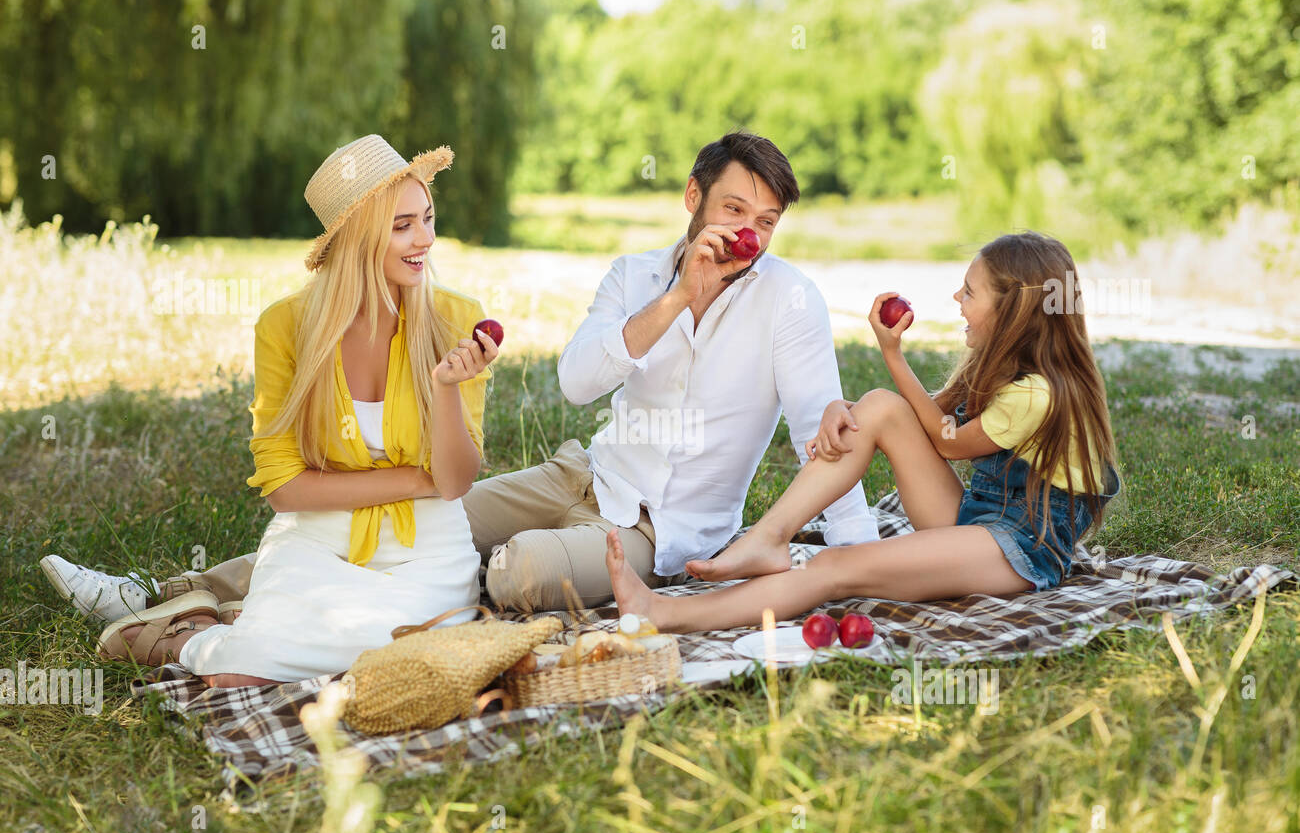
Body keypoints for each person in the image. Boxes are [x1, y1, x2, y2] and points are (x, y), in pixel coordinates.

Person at [43, 131, 879, 622]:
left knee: (510, 573)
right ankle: (166, 592)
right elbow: (576, 383)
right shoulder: (634, 275)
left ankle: (288, 618)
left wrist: (859, 566)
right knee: (407, 517)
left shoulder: (791, 302)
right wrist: (677, 300)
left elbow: (822, 431)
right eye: (735, 212)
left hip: (660, 534)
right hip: (580, 476)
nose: (750, 235)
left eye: (766, 221)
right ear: (693, 198)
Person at [82, 134, 499, 686]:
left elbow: (453, 483)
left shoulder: (455, 318)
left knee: (405, 664)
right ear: (356, 240)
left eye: (427, 217)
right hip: (317, 538)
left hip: (428, 554)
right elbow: (286, 489)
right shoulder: (285, 327)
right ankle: (188, 640)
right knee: (241, 675)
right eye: (402, 226)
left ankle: (224, 624)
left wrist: (446, 386)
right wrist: (412, 480)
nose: (425, 239)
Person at [603, 231, 1122, 633]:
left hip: (1018, 549)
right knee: (875, 407)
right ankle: (768, 537)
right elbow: (909, 416)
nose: (956, 298)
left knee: (836, 567)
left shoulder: (1038, 394)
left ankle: (667, 614)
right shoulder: (996, 366)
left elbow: (945, 440)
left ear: (1012, 310)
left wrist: (892, 353)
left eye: (969, 290)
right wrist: (842, 410)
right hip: (976, 520)